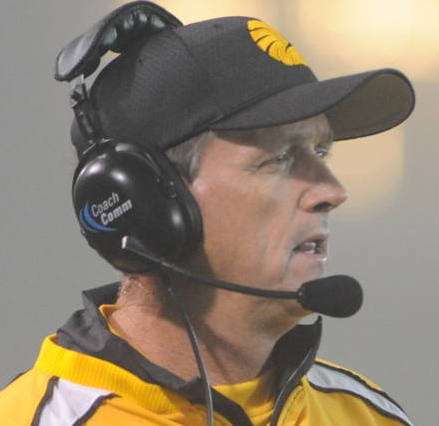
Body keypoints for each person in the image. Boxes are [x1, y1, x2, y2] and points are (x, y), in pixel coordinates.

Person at [0, 2, 416, 425]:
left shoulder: (370, 416)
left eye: (321, 151)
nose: (333, 192)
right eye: (280, 158)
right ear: (149, 204)